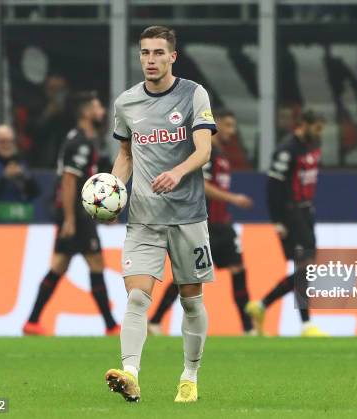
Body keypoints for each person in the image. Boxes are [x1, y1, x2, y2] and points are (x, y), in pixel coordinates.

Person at [104, 26, 217, 403]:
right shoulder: (126, 104)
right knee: (137, 298)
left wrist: (179, 171)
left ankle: (190, 375)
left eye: (157, 53)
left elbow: (204, 150)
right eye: (144, 53)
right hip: (144, 218)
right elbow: (125, 156)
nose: (150, 60)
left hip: (188, 217)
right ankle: (130, 373)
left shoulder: (192, 94)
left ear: (173, 56)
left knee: (191, 299)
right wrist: (112, 194)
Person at [148, 109, 255, 336]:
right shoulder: (205, 153)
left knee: (238, 269)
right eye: (227, 125)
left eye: (233, 126)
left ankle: (248, 328)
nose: (231, 131)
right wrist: (233, 198)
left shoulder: (223, 154)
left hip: (222, 224)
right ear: (215, 125)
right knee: (187, 276)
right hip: (202, 225)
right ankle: (155, 320)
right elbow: (202, 186)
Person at [23, 91, 119, 337]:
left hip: (79, 213)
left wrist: (102, 212)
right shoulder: (79, 142)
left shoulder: (89, 140)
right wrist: (70, 219)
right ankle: (110, 326)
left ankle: (32, 322)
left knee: (59, 265)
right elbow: (68, 181)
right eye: (98, 107)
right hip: (76, 213)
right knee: (95, 262)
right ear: (86, 112)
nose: (102, 112)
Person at [245, 110, 329, 337]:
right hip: (291, 214)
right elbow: (273, 188)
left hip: (306, 211)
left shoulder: (312, 146)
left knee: (306, 268)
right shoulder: (287, 150)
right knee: (304, 267)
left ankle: (261, 305)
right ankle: (305, 324)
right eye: (317, 127)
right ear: (303, 124)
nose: (320, 133)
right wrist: (278, 221)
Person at [0, 125, 40, 222]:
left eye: (10, 141)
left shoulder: (20, 162)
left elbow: (36, 192)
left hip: (21, 222)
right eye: (2, 142)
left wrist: (24, 176)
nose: (7, 145)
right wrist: (4, 178)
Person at [25, 74, 74, 168]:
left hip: (66, 159)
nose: (56, 94)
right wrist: (47, 115)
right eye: (52, 89)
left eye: (60, 90)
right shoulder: (36, 105)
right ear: (46, 89)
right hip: (41, 159)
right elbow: (31, 131)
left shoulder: (70, 108)